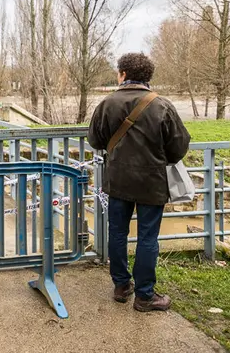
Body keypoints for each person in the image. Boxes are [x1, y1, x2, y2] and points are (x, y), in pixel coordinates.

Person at [87, 53, 190, 312]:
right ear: (147, 77)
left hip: (118, 180)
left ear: (122, 74)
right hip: (151, 183)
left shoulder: (107, 103)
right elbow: (179, 147)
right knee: (147, 237)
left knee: (117, 232)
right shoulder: (162, 106)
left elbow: (96, 141)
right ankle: (145, 296)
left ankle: (121, 285)